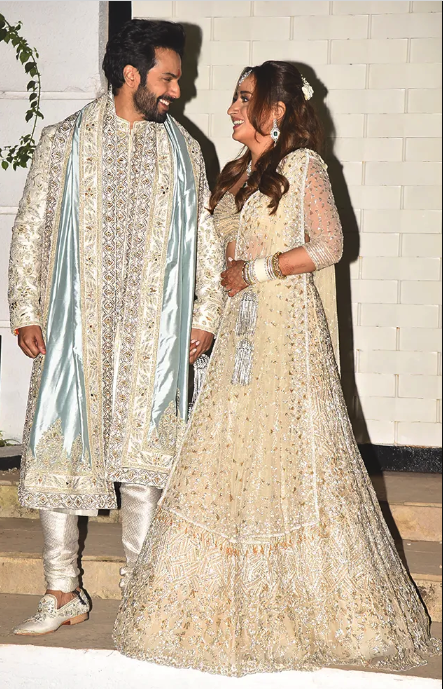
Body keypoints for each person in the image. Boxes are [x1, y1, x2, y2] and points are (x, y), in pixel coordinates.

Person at [113, 61, 441, 676]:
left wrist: (256, 273)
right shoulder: (242, 175)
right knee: (231, 457)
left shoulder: (304, 166)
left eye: (244, 98)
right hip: (240, 335)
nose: (232, 108)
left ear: (277, 108)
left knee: (288, 456)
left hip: (286, 334)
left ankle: (305, 606)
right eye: (236, 99)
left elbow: (330, 246)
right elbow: (218, 257)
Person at [8, 19, 224, 636]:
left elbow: (205, 245)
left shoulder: (184, 149)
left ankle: (144, 591)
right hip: (76, 330)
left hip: (153, 336)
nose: (177, 91)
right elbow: (31, 227)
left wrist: (204, 318)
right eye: (168, 78)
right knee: (61, 453)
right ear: (131, 75)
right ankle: (61, 590)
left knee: (145, 463)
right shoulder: (64, 141)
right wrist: (25, 308)